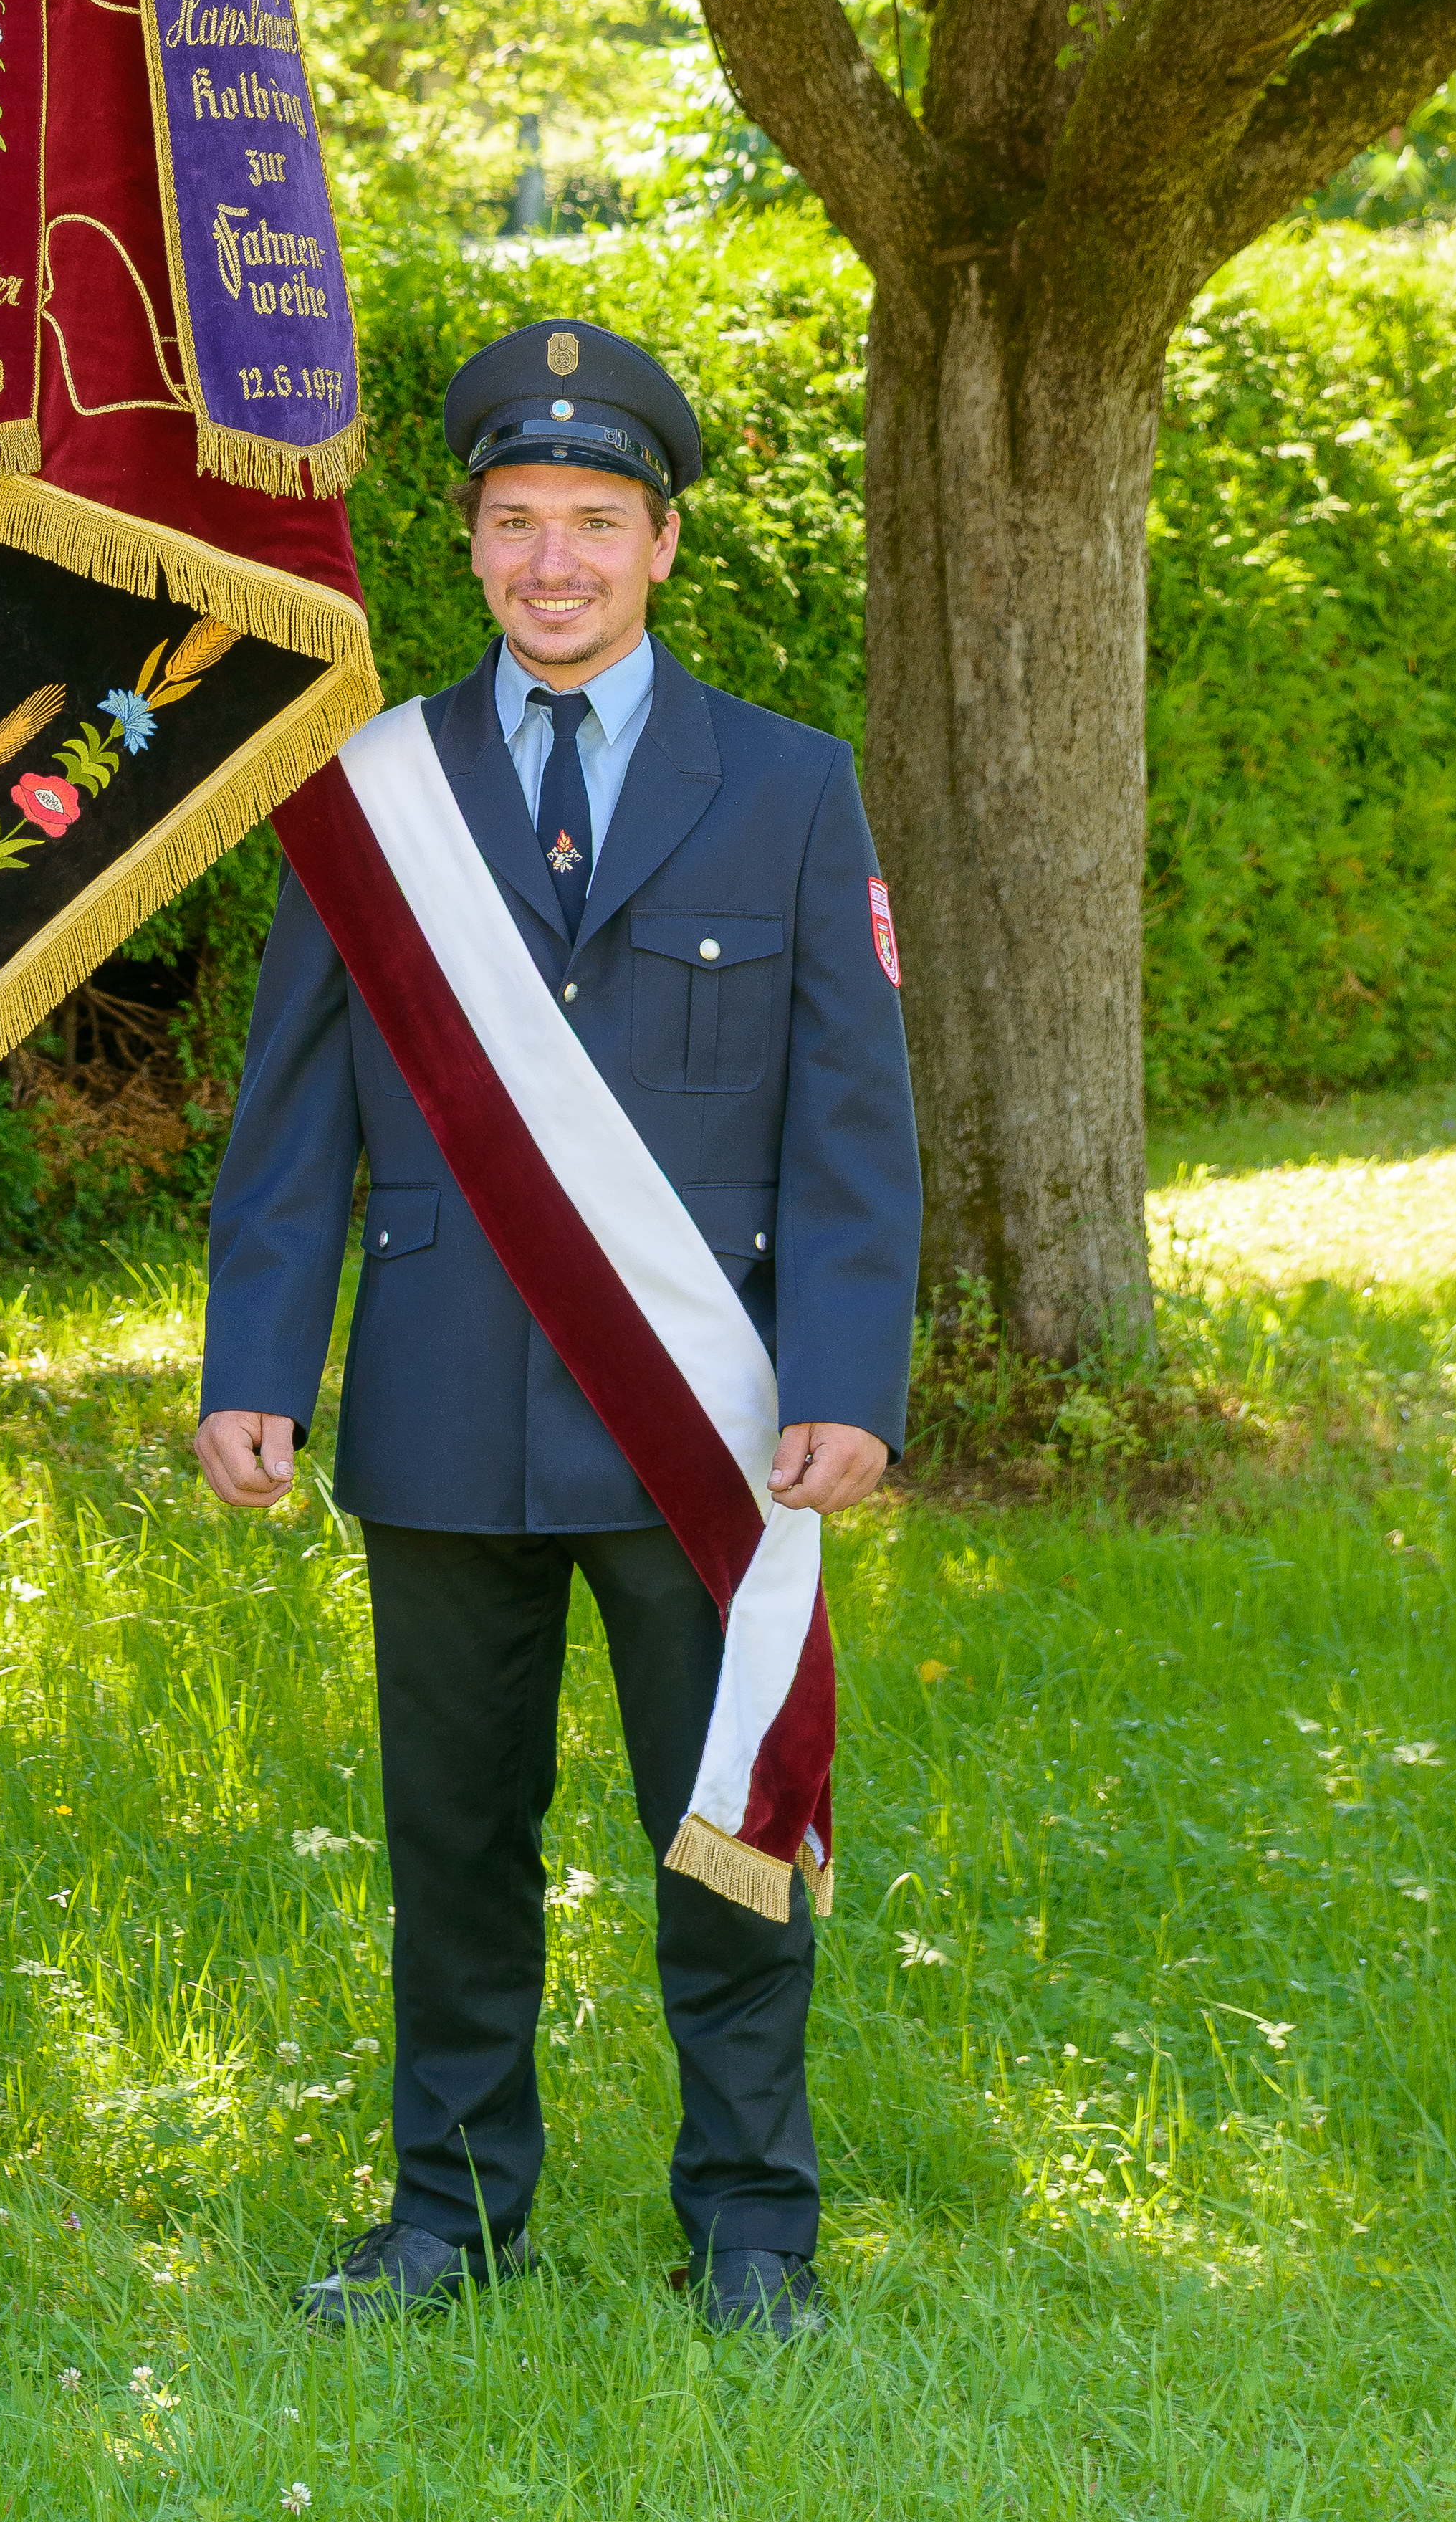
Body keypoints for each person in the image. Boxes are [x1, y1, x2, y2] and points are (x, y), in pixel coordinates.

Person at [194, 317, 919, 2339]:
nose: (555, 563)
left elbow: (855, 1119)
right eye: (517, 524)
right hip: (439, 1410)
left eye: (597, 523)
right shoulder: (369, 793)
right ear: (474, 543)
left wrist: (851, 1379)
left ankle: (753, 2224)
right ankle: (451, 2215)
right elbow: (294, 1119)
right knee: (453, 1838)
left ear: (665, 544)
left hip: (710, 1420)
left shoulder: (788, 789)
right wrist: (259, 1363)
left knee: (724, 1837)